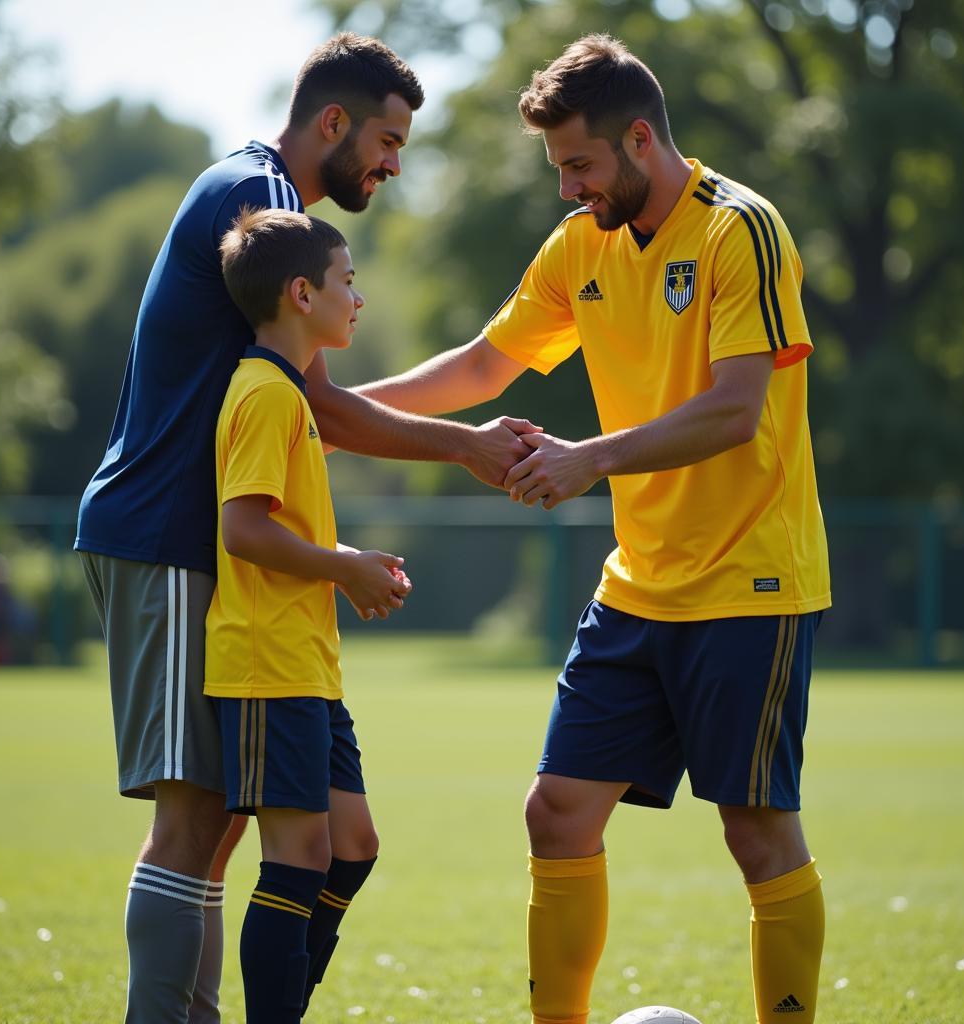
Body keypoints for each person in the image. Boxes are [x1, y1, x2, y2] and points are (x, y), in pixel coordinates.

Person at [306, 34, 831, 1024]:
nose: (565, 188)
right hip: (638, 583)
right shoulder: (583, 242)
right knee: (556, 813)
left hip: (751, 582)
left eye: (578, 165)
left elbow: (736, 409)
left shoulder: (740, 231)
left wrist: (588, 455)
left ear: (640, 140)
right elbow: (479, 366)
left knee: (758, 834)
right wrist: (333, 422)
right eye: (558, 169)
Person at [76, 32, 535, 1024]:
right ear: (332, 122)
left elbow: (306, 402)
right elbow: (319, 407)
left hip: (190, 547)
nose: (394, 163)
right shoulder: (269, 207)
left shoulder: (252, 194)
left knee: (223, 821)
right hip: (160, 536)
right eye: (385, 138)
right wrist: (464, 447)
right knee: (192, 813)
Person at [208, 206, 410, 1024]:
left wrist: (352, 566)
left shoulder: (291, 396)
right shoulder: (262, 393)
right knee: (297, 861)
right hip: (265, 665)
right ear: (301, 294)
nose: (356, 299)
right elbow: (243, 528)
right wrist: (343, 568)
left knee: (350, 850)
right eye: (347, 283)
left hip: (308, 669)